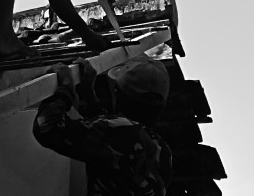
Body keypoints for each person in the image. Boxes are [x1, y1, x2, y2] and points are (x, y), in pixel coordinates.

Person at [33, 56, 173, 196]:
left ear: (117, 93)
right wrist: (89, 94)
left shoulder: (119, 130)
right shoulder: (162, 150)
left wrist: (66, 87)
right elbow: (110, 141)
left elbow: (46, 126)